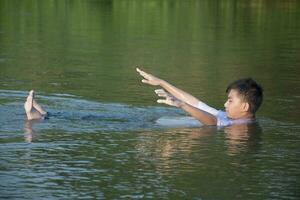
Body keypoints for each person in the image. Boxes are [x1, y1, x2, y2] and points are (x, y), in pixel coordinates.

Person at [136, 68, 263, 126]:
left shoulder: (242, 126)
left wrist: (182, 105)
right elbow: (198, 104)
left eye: (230, 101)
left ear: (244, 106)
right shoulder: (228, 117)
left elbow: (213, 122)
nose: (225, 104)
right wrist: (161, 82)